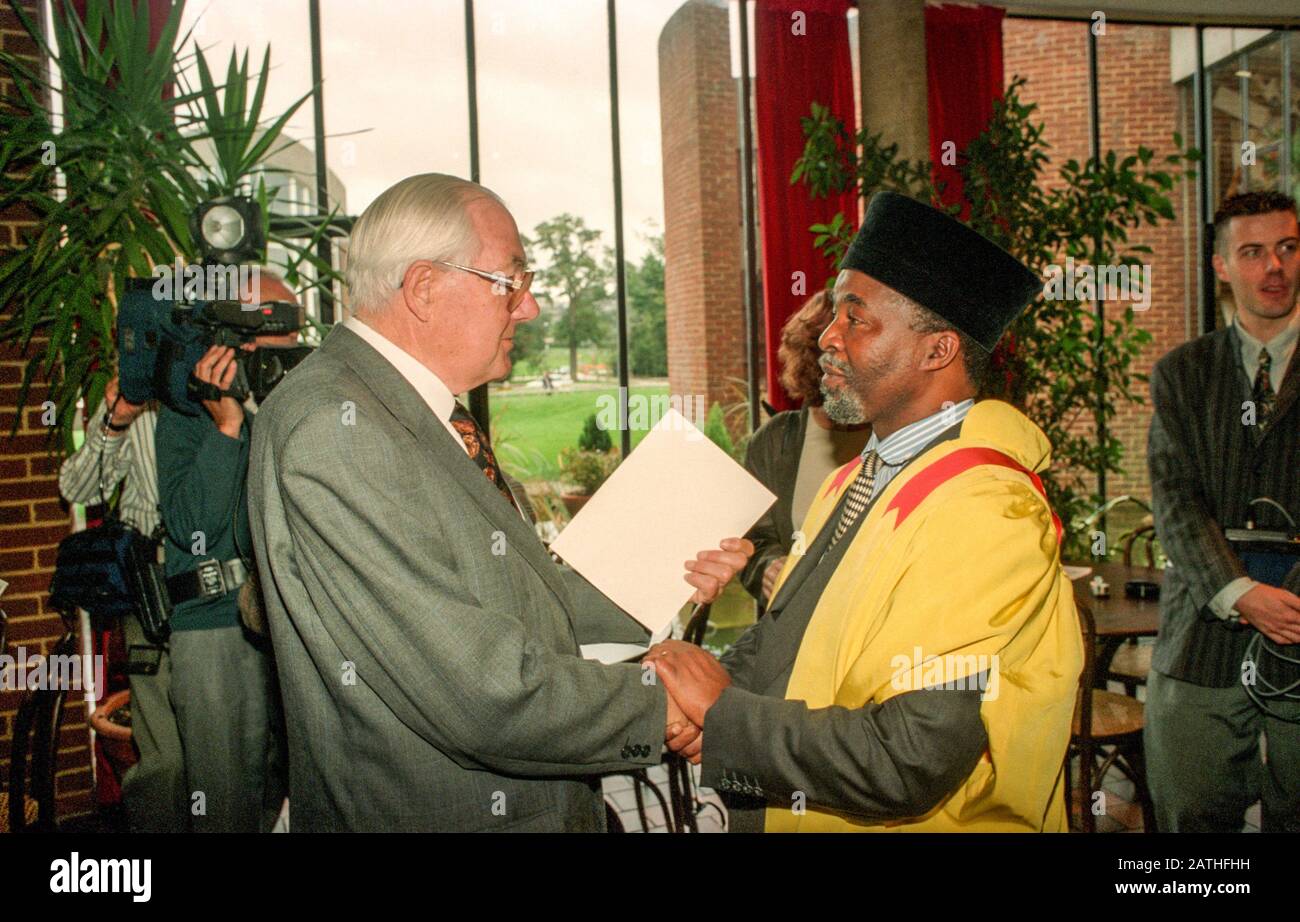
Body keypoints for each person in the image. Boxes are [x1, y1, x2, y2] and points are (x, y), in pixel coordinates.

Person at [245, 173, 752, 832]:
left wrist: (667, 572)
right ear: (425, 287)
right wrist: (670, 705)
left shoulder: (410, 411)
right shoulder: (337, 430)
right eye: (511, 283)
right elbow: (476, 691)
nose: (530, 309)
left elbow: (504, 596)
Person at [650, 191, 1083, 832]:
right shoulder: (855, 477)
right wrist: (690, 687)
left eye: (856, 319)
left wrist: (724, 716)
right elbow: (784, 641)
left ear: (937, 351)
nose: (827, 337)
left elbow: (910, 758)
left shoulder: (985, 509)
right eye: (834, 314)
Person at [1144, 189, 1300, 832]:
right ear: (1221, 266)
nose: (1274, 268)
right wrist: (1238, 592)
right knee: (1191, 820)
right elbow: (1175, 499)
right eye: (1254, 252)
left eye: (1289, 248)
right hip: (1199, 638)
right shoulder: (1182, 373)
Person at [154, 272, 298, 832]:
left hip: (280, 620)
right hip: (213, 628)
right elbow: (192, 525)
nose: (287, 354)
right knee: (226, 803)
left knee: (286, 793)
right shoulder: (188, 408)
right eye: (274, 338)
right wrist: (228, 428)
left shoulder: (283, 405)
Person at [58, 378, 188, 833]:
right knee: (163, 758)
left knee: (241, 751)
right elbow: (76, 486)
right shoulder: (138, 389)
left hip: (228, 597)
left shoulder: (234, 381)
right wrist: (115, 423)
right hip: (152, 596)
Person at [740, 291, 870, 610]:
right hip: (792, 628)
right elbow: (751, 538)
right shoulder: (775, 442)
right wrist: (768, 568)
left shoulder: (896, 434)